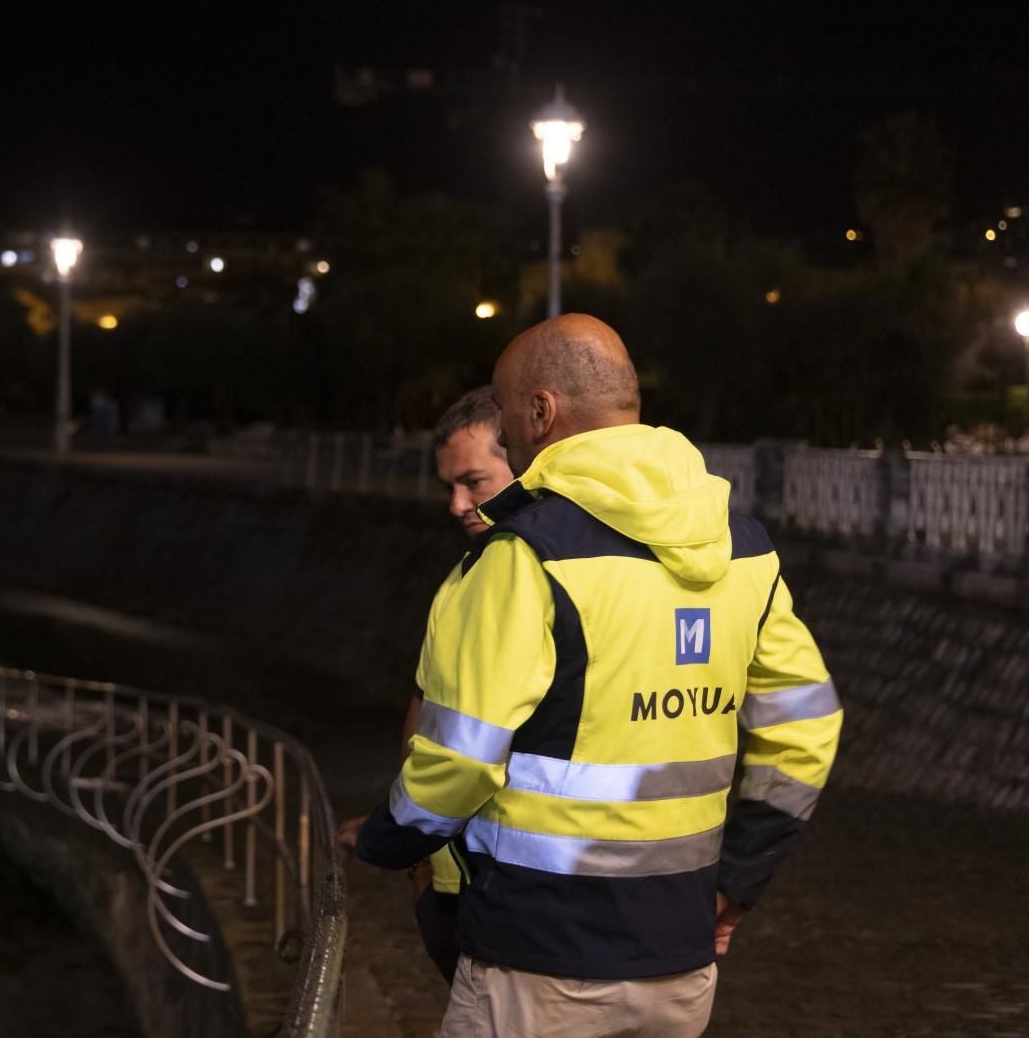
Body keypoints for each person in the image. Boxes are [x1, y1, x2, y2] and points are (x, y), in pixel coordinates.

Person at [352, 314, 843, 1037]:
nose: (511, 438)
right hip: (679, 965)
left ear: (542, 409)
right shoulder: (744, 547)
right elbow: (806, 727)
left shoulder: (523, 557)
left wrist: (384, 841)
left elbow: (456, 761)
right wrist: (737, 880)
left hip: (537, 961)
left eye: (510, 412)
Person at [339, 386, 514, 984]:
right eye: (449, 487)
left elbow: (469, 757)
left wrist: (391, 840)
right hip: (447, 873)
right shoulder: (465, 578)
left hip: (493, 887)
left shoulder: (519, 580)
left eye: (475, 482)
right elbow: (425, 703)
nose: (457, 504)